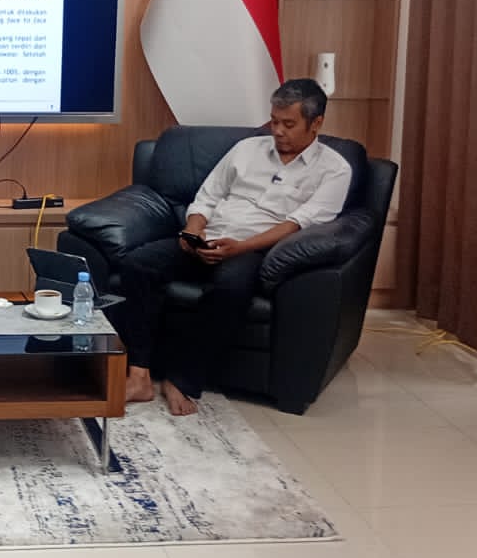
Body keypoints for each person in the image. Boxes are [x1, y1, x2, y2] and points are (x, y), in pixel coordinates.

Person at [111, 79, 352, 416]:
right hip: (208, 236)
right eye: (274, 121)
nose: (278, 131)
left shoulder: (334, 170)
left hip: (255, 250)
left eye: (288, 124)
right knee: (138, 264)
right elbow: (207, 196)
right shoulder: (247, 149)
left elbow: (296, 224)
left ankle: (182, 378)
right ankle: (139, 375)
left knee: (231, 288)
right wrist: (192, 231)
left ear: (316, 123)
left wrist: (239, 248)